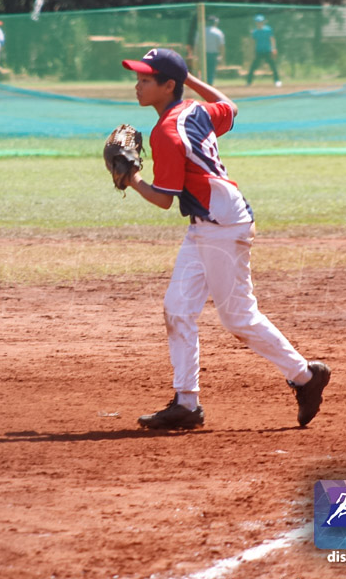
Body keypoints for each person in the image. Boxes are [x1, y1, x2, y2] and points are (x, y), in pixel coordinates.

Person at [119, 47, 330, 430]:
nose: (137, 85)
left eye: (146, 80)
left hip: (223, 224)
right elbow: (229, 106)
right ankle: (186, 403)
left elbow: (164, 200)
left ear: (169, 85)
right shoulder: (196, 110)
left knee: (238, 318)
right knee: (178, 309)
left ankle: (305, 376)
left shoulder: (166, 132)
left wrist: (132, 179)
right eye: (139, 78)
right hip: (208, 221)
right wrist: (189, 80)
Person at [246, 14, 281, 87]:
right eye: (258, 22)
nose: (259, 23)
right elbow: (253, 42)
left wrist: (274, 48)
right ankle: (249, 82)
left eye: (261, 21)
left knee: (273, 66)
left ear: (263, 22)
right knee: (253, 67)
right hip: (258, 51)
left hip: (268, 51)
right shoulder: (255, 32)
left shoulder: (268, 30)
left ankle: (277, 81)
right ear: (256, 22)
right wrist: (251, 52)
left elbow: (272, 39)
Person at [202, 16, 225, 85]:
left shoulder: (201, 31)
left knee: (204, 71)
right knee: (211, 71)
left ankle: (204, 85)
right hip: (213, 54)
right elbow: (221, 46)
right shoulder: (218, 32)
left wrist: (197, 55)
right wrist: (222, 56)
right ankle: (210, 85)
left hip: (203, 54)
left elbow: (197, 44)